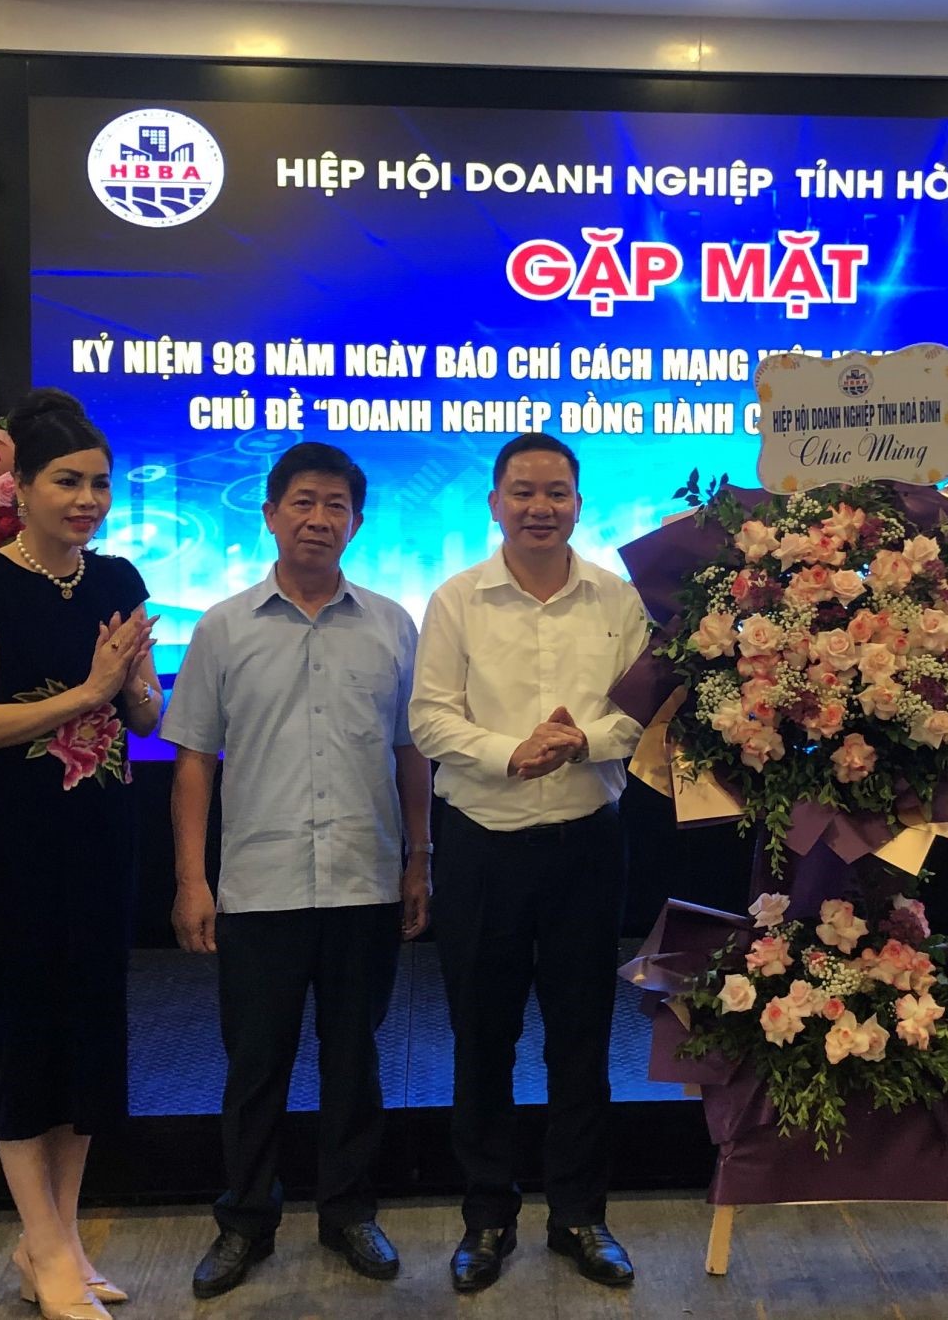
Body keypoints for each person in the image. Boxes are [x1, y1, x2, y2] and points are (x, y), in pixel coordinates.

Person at [163, 443, 430, 1299]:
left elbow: (409, 753)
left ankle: (350, 1211)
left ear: (356, 521)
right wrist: (191, 880)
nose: (319, 519)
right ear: (271, 513)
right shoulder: (223, 625)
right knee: (255, 1067)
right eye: (303, 502)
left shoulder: (393, 624)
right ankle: (245, 1220)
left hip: (363, 881)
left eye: (337, 506)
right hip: (261, 885)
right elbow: (195, 759)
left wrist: (419, 860)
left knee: (355, 1062)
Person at [409, 432, 649, 1294]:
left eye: (556, 492)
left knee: (581, 1039)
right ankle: (487, 1215)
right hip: (483, 848)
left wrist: (582, 741)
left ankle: (581, 1215)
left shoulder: (618, 601)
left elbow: (641, 716)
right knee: (484, 1037)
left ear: (580, 503)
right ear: (495, 504)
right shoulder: (456, 601)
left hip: (587, 846)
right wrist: (515, 752)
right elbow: (431, 720)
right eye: (523, 492)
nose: (540, 507)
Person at [0, 388, 159, 1320]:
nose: (88, 499)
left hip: (104, 840)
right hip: (20, 849)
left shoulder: (118, 579)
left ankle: (55, 1243)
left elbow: (144, 714)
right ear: (20, 488)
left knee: (86, 1042)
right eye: (67, 481)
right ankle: (50, 1247)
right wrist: (90, 690)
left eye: (101, 483)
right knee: (27, 1039)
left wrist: (135, 688)